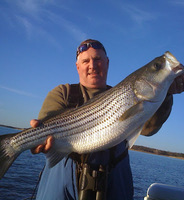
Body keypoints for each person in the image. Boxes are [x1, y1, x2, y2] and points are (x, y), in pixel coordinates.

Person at [30, 39, 184, 200]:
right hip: (62, 188)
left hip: (114, 186)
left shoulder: (129, 94)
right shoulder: (63, 93)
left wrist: (167, 94)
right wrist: (36, 139)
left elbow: (148, 129)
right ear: (78, 67)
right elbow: (43, 127)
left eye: (97, 59)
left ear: (107, 62)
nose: (92, 65)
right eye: (85, 61)